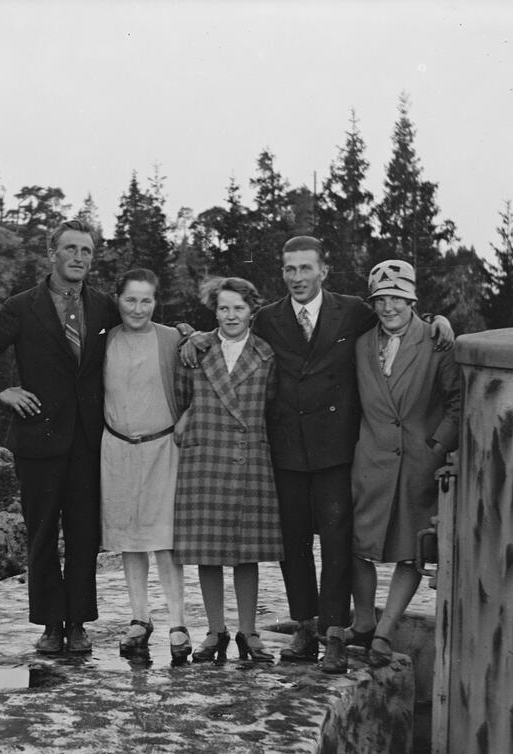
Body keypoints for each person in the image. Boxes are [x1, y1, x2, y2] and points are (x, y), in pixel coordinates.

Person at [181, 236, 453, 674]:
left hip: (337, 450)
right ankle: (305, 627)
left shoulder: (353, 310)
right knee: (294, 545)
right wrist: (195, 335)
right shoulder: (269, 318)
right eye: (289, 269)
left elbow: (399, 314)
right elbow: (232, 330)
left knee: (337, 543)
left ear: (323, 271)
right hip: (286, 448)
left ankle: (335, 633)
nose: (297, 277)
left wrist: (439, 320)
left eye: (306, 268)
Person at [0, 220, 118, 655]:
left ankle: (78, 623)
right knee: (43, 533)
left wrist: (185, 334)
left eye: (86, 250)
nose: (79, 257)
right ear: (52, 254)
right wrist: (2, 391)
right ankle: (51, 624)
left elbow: (142, 326)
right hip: (38, 438)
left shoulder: (103, 306)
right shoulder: (22, 306)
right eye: (70, 249)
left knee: (84, 534)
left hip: (88, 441)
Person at [348, 260, 461, 666]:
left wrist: (435, 447)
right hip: (370, 461)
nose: (388, 307)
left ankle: (385, 630)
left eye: (397, 298)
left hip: (417, 464)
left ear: (412, 301)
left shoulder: (436, 340)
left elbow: (457, 403)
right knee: (355, 545)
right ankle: (363, 622)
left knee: (411, 551)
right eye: (381, 299)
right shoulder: (361, 344)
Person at [173, 277, 281, 664]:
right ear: (214, 311)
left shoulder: (267, 354)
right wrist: (189, 415)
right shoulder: (195, 351)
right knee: (208, 551)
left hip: (249, 458)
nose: (231, 315)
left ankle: (248, 632)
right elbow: (181, 397)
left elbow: (272, 404)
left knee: (247, 552)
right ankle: (215, 631)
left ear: (252, 310)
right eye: (223, 308)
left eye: (239, 308)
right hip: (205, 459)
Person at [101, 268, 190, 664]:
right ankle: (139, 618)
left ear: (156, 302)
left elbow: (203, 377)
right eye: (130, 300)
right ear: (117, 300)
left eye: (146, 300)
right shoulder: (105, 340)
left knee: (165, 540)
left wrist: (189, 415)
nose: (138, 309)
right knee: (130, 540)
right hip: (117, 449)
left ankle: (178, 623)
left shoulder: (172, 338)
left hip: (162, 448)